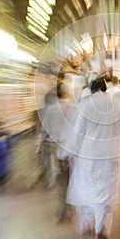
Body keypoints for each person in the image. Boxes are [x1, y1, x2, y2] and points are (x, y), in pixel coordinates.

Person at [63, 76, 120, 239]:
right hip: (112, 155)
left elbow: (77, 134)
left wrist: (66, 154)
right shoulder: (117, 105)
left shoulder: (86, 106)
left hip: (89, 156)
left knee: (87, 190)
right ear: (105, 89)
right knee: (107, 193)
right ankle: (102, 228)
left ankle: (86, 225)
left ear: (92, 90)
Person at [37, 82, 77, 222]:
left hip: (55, 147)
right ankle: (71, 205)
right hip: (71, 148)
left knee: (60, 179)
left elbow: (44, 130)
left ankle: (62, 210)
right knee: (71, 178)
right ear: (66, 93)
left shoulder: (51, 110)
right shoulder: (74, 108)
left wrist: (38, 146)